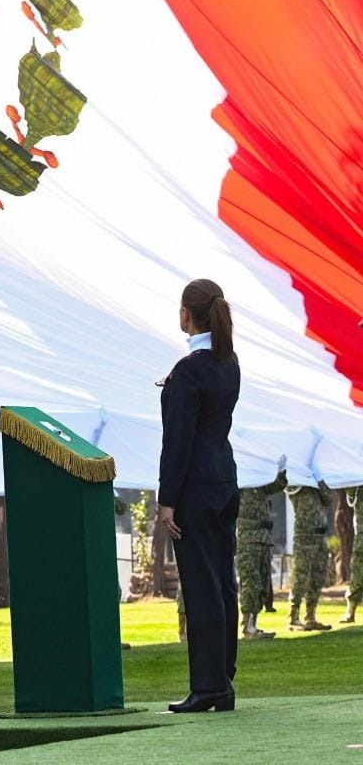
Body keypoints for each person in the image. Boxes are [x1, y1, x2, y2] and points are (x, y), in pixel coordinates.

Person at [156, 278, 239, 714]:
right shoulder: (229, 363)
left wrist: (166, 498)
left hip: (196, 489)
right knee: (223, 583)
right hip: (224, 480)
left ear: (186, 315)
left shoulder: (188, 371)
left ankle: (208, 686)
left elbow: (178, 442)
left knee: (202, 587)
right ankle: (223, 678)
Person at [237, 465, 287, 638]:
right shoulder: (239, 484)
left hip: (264, 540)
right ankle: (247, 626)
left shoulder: (261, 484)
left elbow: (278, 485)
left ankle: (254, 625)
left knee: (262, 585)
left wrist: (281, 472)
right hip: (248, 541)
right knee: (252, 584)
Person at [287, 480, 332, 631]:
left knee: (318, 576)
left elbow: (328, 499)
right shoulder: (296, 480)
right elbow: (288, 487)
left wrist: (319, 481)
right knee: (301, 575)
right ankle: (293, 616)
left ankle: (310, 616)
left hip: (320, 536)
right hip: (304, 536)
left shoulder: (317, 481)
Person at [343, 488, 363, 624]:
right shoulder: (358, 486)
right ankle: (350, 611)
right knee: (357, 574)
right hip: (361, 539)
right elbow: (349, 492)